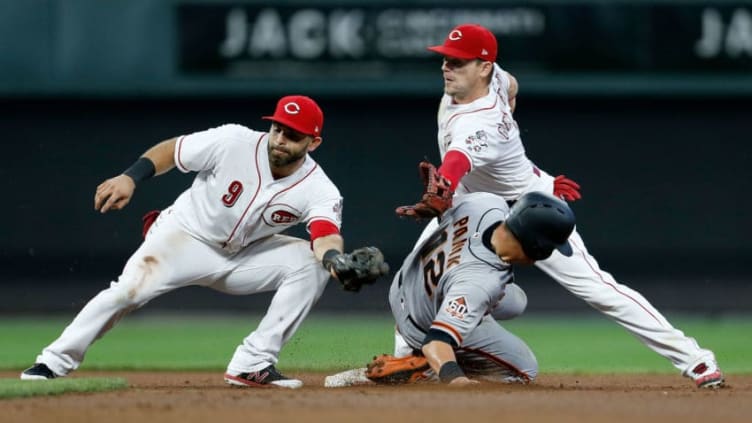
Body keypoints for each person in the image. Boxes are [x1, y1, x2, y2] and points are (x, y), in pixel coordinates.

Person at [395, 24, 724, 388]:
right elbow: (513, 85)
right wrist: (526, 167)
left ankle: (696, 359)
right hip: (473, 206)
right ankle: (406, 360)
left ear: (484, 66)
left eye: (457, 62)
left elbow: (456, 160)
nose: (446, 67)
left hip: (525, 215)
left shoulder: (480, 121)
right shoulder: (497, 80)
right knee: (417, 270)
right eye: (445, 60)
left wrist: (447, 182)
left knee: (598, 289)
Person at [20, 95, 389, 389]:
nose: (280, 139)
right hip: (184, 237)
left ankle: (253, 363)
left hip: (244, 257)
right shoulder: (233, 141)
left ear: (314, 141)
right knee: (127, 292)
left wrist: (333, 261)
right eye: (277, 128)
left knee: (311, 262)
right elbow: (171, 151)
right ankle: (52, 362)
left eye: (292, 135)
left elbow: (325, 234)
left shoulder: (319, 188)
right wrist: (130, 178)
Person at [328, 191, 575, 387]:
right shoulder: (480, 283)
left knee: (516, 300)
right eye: (550, 248)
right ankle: (421, 370)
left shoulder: (486, 203)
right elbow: (435, 343)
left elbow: (444, 205)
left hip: (406, 284)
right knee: (525, 369)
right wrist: (454, 378)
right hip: (421, 326)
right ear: (536, 247)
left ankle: (452, 318)